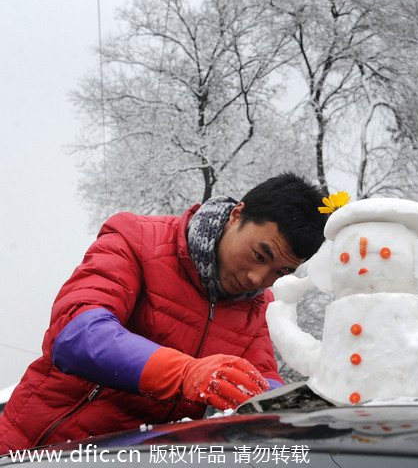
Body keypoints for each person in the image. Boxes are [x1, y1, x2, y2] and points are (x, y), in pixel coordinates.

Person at [0, 172, 328, 455]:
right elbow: (76, 334)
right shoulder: (136, 239)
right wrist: (184, 373)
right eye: (259, 255)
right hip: (39, 447)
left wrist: (295, 408)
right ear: (237, 215)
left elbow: (260, 384)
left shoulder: (257, 304)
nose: (258, 279)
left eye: (280, 271)